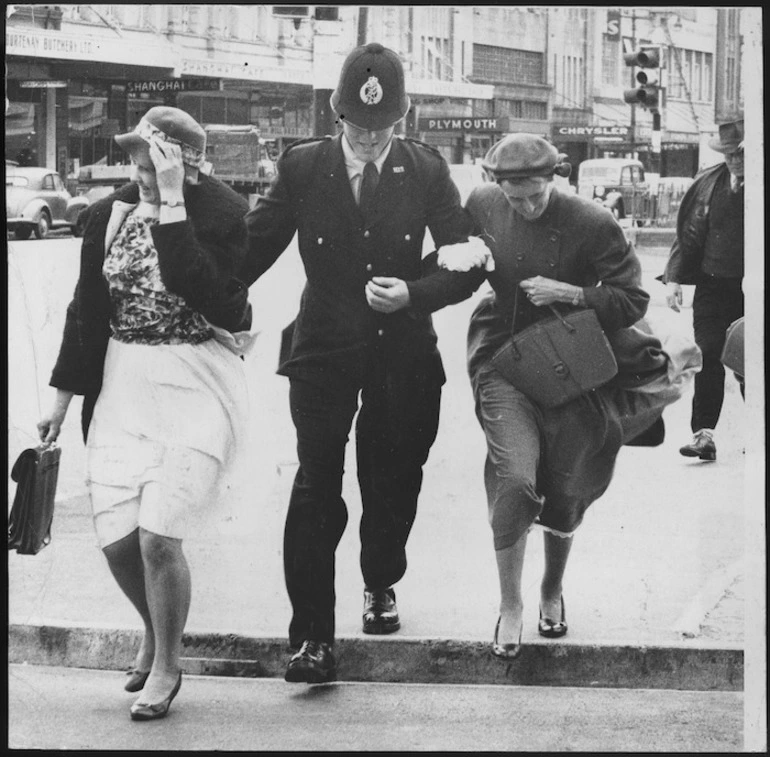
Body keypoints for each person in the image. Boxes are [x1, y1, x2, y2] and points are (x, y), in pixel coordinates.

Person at [239, 43, 480, 684]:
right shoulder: (303, 166)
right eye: (360, 127)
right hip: (323, 351)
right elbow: (251, 247)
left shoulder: (426, 170)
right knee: (318, 484)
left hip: (401, 354)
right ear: (338, 115)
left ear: (401, 120)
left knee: (391, 479)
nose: (371, 141)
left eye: (385, 129)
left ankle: (380, 581)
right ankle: (313, 638)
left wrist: (415, 293)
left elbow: (465, 256)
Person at [438, 133, 699, 658]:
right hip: (505, 358)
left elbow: (632, 299)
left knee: (566, 484)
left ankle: (551, 589)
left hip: (575, 363)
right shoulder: (482, 203)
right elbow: (460, 257)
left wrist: (571, 293)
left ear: (555, 178)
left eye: (536, 194)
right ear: (496, 187)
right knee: (514, 478)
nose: (528, 206)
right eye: (516, 198)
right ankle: (510, 605)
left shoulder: (591, 221)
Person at [37, 106, 252, 720]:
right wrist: (60, 398)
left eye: (152, 161)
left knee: (160, 535)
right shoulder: (107, 214)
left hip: (194, 380)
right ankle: (154, 629)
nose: (138, 172)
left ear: (187, 161)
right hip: (123, 383)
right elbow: (86, 311)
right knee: (117, 542)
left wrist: (174, 207)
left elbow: (207, 288)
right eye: (133, 160)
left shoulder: (225, 213)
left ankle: (167, 661)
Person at [661, 118, 745, 462]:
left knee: (750, 362)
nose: (735, 160)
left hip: (753, 288)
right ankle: (703, 434)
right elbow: (689, 233)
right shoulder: (708, 184)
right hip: (713, 285)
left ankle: (760, 427)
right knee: (708, 353)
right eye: (729, 154)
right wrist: (674, 278)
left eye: (740, 153)